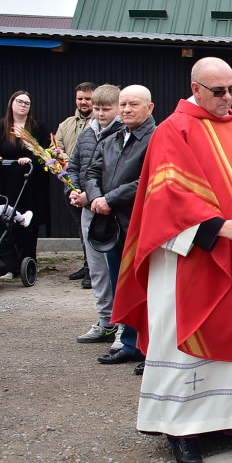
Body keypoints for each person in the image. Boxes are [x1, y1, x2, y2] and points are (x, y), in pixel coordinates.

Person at [111, 57, 232, 463]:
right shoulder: (173, 131)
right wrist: (215, 228)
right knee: (188, 343)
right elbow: (164, 199)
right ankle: (182, 429)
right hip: (191, 260)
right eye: (219, 91)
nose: (228, 98)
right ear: (196, 88)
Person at [84, 85, 157, 368]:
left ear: (150, 108)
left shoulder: (157, 139)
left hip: (142, 226)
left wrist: (109, 199)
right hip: (112, 225)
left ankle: (150, 349)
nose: (126, 109)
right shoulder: (111, 138)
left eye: (133, 104)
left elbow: (147, 181)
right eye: (123, 104)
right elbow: (91, 172)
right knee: (121, 286)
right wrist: (96, 198)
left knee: (146, 288)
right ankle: (129, 343)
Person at [69, 84, 124, 344]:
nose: (100, 114)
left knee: (116, 268)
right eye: (97, 109)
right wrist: (74, 190)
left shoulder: (123, 133)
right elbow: (74, 165)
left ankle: (122, 324)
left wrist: (93, 197)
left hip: (111, 209)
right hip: (88, 207)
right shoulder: (87, 133)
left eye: (106, 109)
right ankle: (105, 320)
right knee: (97, 270)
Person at [0, 90, 50, 265]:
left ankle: (28, 261)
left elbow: (45, 153)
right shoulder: (0, 126)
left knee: (28, 224)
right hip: (5, 182)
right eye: (19, 101)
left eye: (27, 103)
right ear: (11, 103)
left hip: (29, 183)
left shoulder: (37, 128)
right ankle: (8, 262)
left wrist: (31, 158)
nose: (23, 105)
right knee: (5, 220)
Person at [57, 82, 96, 285]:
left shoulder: (98, 123)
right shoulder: (65, 124)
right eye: (80, 98)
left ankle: (93, 268)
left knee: (91, 226)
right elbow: (57, 147)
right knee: (80, 227)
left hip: (90, 183)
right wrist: (66, 161)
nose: (83, 102)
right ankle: (86, 263)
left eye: (87, 99)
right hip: (71, 182)